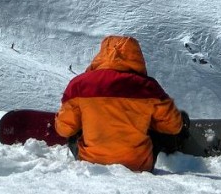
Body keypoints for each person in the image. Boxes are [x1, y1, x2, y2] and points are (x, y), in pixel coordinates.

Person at [55, 35, 188, 173]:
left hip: (91, 163)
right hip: (138, 165)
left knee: (76, 124)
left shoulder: (78, 85)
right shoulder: (149, 87)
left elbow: (64, 129)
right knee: (164, 124)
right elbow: (173, 126)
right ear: (136, 56)